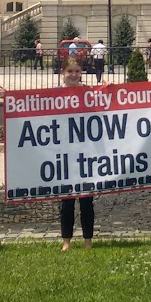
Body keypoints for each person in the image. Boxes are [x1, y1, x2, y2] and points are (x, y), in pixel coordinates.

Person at [57, 57, 101, 251]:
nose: (74, 75)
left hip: (85, 152)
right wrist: (8, 96)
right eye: (70, 71)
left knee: (86, 200)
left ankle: (88, 240)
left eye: (77, 71)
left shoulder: (89, 92)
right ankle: (66, 240)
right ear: (63, 73)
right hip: (64, 153)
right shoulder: (53, 95)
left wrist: (109, 88)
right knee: (66, 200)